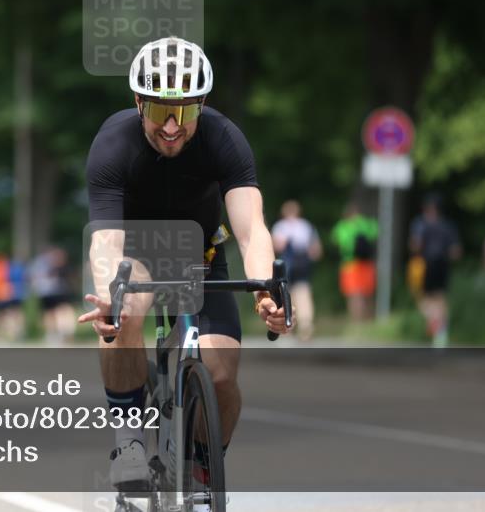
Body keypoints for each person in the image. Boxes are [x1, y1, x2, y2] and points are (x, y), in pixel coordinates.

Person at [79, 36, 290, 490]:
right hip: (135, 254)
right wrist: (110, 296)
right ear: (139, 103)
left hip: (200, 256)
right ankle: (130, 444)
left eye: (186, 111)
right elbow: (107, 241)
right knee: (126, 307)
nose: (173, 126)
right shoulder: (113, 143)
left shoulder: (224, 138)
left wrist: (265, 289)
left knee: (221, 375)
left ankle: (199, 465)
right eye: (160, 110)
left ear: (202, 105)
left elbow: (251, 229)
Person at [409, 193, 461, 347]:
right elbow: (456, 252)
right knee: (441, 299)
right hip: (443, 265)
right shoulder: (448, 226)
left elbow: (416, 245)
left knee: (422, 298)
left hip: (425, 265)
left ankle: (434, 322)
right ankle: (441, 333)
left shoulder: (420, 224)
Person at [271, 200, 322, 340]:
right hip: (302, 263)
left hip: (289, 264)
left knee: (287, 295)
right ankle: (305, 326)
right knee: (302, 294)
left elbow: (277, 247)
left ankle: (290, 327)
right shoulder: (306, 226)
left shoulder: (280, 227)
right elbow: (316, 250)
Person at [331, 202, 378, 321]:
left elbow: (337, 241)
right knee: (367, 292)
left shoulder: (342, 226)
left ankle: (356, 319)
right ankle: (368, 318)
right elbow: (375, 232)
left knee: (353, 293)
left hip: (350, 263)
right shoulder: (365, 223)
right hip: (366, 263)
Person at [29, 245, 76, 344]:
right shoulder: (48, 261)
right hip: (50, 292)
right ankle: (55, 333)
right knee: (53, 313)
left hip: (54, 291)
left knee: (56, 312)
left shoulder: (39, 262)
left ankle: (58, 333)